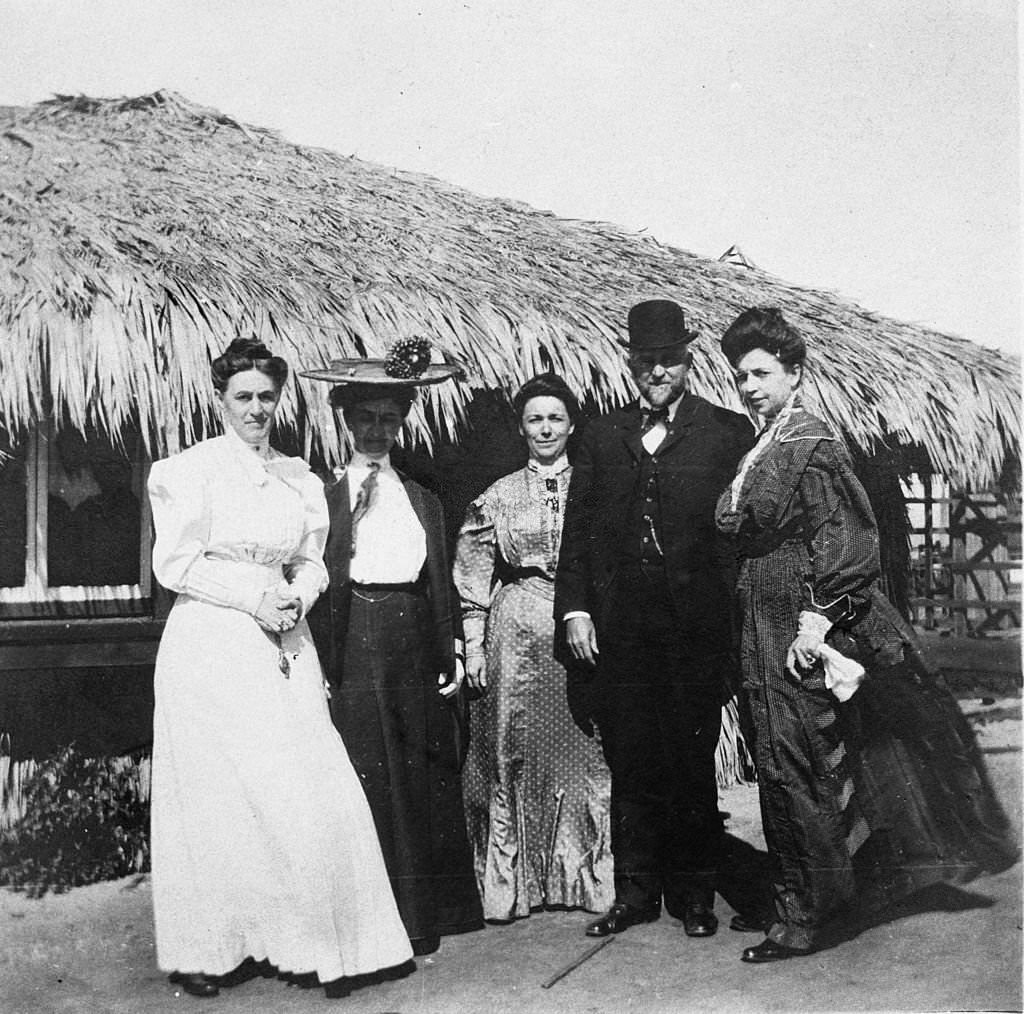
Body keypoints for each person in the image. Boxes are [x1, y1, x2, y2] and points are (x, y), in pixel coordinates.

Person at [714, 307, 1017, 963]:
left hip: (797, 618)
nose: (750, 385)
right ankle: (798, 894)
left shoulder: (811, 445)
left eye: (762, 373)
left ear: (794, 374)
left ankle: (808, 916)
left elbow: (848, 542)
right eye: (741, 375)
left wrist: (816, 620)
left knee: (801, 764)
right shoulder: (765, 442)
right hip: (762, 618)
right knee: (780, 762)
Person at [147, 338, 412, 999]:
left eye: (267, 396)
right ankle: (209, 950)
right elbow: (175, 565)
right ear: (220, 398)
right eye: (244, 397)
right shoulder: (187, 471)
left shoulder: (298, 476)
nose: (256, 408)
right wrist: (251, 597)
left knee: (308, 776)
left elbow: (317, 559)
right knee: (216, 797)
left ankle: (321, 943)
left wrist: (301, 594)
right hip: (210, 639)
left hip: (287, 636)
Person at [554, 299, 755, 939]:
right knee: (632, 761)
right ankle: (635, 894)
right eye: (647, 361)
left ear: (687, 361)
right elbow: (577, 533)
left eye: (669, 359)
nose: (658, 371)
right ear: (631, 363)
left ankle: (694, 896)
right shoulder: (601, 436)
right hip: (621, 632)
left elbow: (740, 540)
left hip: (693, 632)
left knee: (691, 762)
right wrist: (577, 609)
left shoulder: (726, 433)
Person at [304, 346, 484, 957]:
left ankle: (426, 914)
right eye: (366, 418)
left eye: (389, 418)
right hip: (354, 635)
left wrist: (451, 648)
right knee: (366, 772)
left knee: (419, 769)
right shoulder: (322, 496)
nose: (377, 430)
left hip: (413, 633)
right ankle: (370, 920)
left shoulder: (423, 497)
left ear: (402, 421)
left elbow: (439, 580)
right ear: (347, 422)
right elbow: (316, 577)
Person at [454, 373, 614, 920]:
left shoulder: (596, 487)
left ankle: (582, 880)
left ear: (571, 425)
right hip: (514, 636)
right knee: (510, 751)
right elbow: (473, 577)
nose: (545, 428)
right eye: (534, 419)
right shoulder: (497, 495)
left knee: (581, 753)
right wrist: (474, 646)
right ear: (521, 428)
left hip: (581, 637)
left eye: (555, 418)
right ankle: (514, 887)